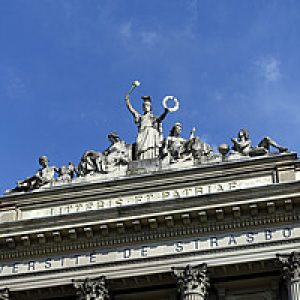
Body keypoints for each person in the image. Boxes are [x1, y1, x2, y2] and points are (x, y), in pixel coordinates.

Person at [125, 94, 169, 160]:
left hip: (151, 133)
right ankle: (141, 159)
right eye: (144, 106)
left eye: (147, 106)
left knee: (150, 146)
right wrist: (127, 101)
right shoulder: (140, 117)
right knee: (140, 146)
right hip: (142, 133)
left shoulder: (153, 117)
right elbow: (132, 110)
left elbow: (160, 118)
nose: (146, 107)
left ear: (150, 107)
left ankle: (151, 159)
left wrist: (165, 112)